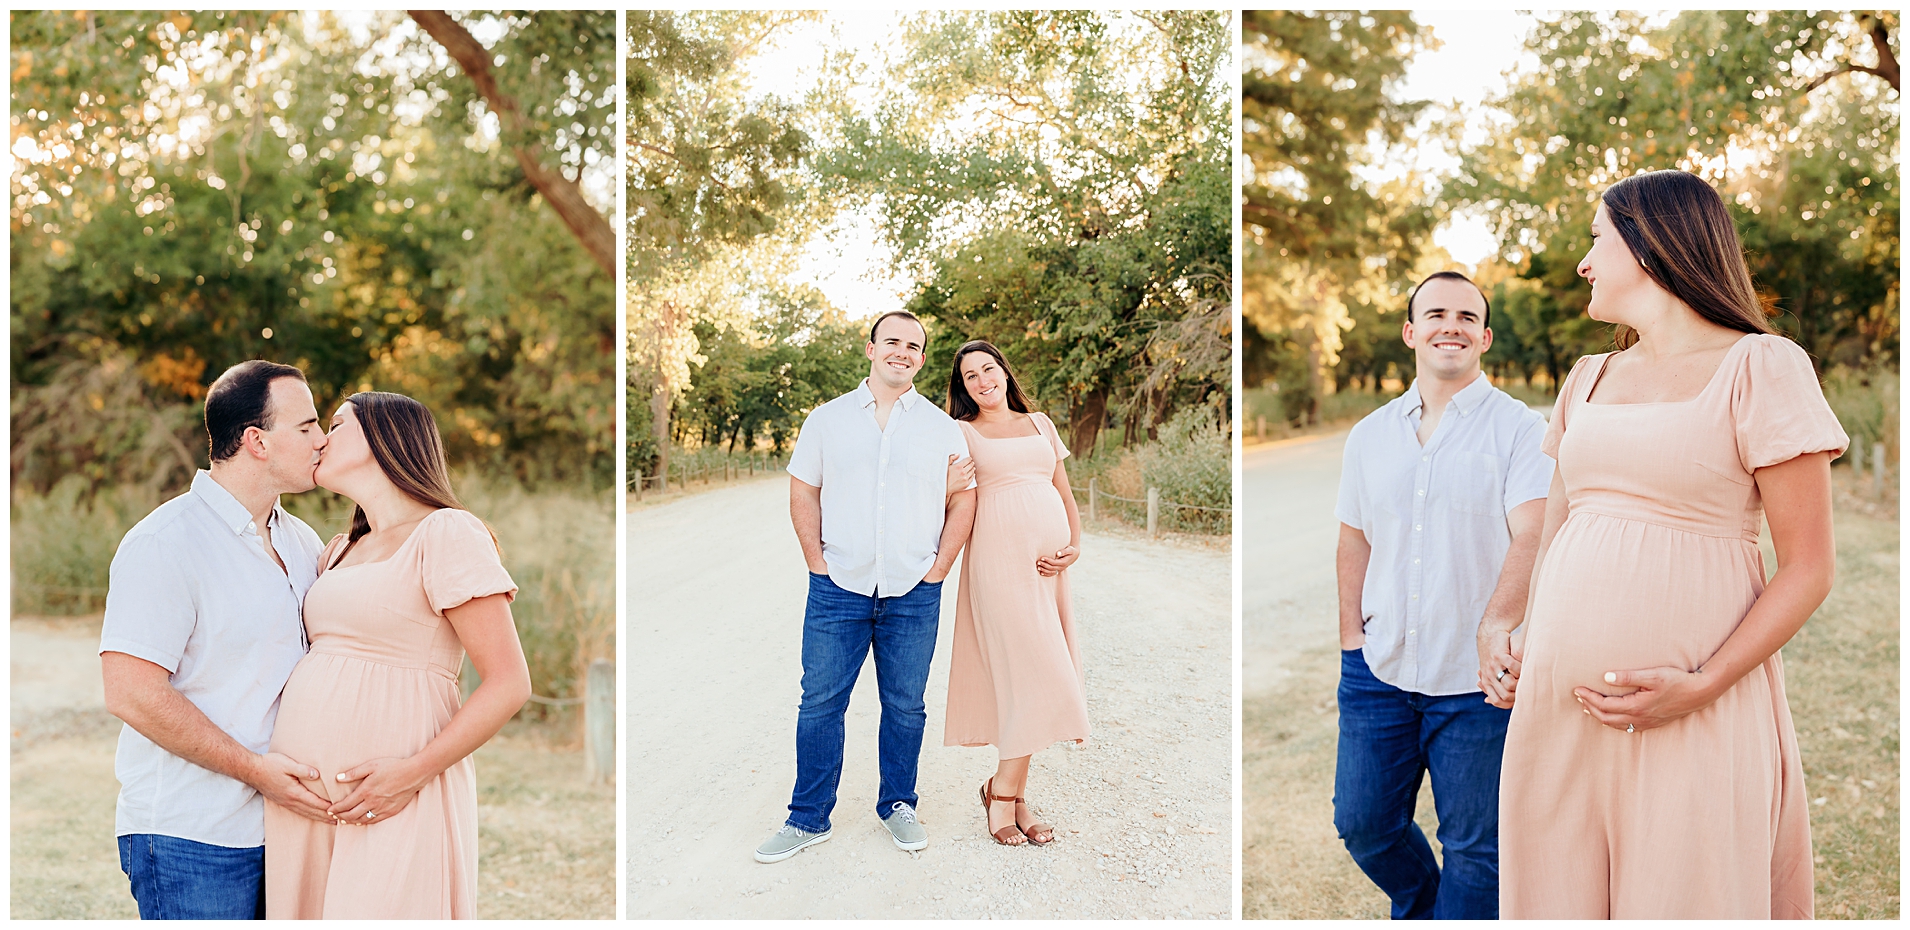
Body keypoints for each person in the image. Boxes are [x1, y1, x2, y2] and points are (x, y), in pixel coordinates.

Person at [1493, 170, 1845, 919]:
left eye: (1596, 239)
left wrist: (1703, 683)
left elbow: (1810, 568)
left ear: (1649, 245)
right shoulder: (1587, 377)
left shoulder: (1763, 365)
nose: (1584, 262)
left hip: (1695, 708)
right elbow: (1559, 528)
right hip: (1560, 713)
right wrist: (1525, 635)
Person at [1331, 271, 1553, 918]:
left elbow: (1533, 533)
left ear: (1484, 337)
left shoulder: (1520, 430)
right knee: (1364, 824)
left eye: (1465, 316)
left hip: (1477, 684)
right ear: (1410, 332)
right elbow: (1354, 541)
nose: (1449, 326)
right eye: (1435, 314)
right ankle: (1427, 909)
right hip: (1378, 672)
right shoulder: (1368, 435)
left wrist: (1498, 629)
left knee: (1477, 850)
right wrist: (1351, 640)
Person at [263, 391, 529, 918]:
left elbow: (509, 682)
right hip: (307, 804)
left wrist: (410, 773)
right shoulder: (337, 550)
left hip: (396, 791)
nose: (320, 440)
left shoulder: (446, 532)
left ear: (383, 438)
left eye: (335, 425)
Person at [100, 360, 335, 920]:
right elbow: (130, 693)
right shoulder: (164, 543)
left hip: (283, 827)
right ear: (257, 441)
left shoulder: (301, 540)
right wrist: (257, 773)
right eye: (305, 428)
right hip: (190, 835)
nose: (322, 440)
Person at [754, 310, 978, 863]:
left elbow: (963, 498)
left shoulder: (940, 427)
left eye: (913, 346)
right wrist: (816, 562)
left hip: (913, 589)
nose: (902, 352)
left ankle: (898, 805)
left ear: (922, 359)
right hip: (838, 588)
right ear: (872, 349)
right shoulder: (826, 421)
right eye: (892, 342)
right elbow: (803, 491)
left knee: (905, 706)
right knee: (820, 704)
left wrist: (939, 569)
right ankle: (807, 818)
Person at [941, 340, 1089, 846]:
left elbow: (1063, 492)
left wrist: (1074, 546)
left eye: (989, 369)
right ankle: (1003, 795)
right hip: (998, 565)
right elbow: (952, 497)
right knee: (1032, 673)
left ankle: (1011, 795)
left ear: (1004, 371)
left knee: (1044, 673)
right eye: (970, 377)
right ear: (962, 388)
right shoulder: (962, 431)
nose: (983, 381)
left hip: (1050, 570)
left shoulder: (1042, 423)